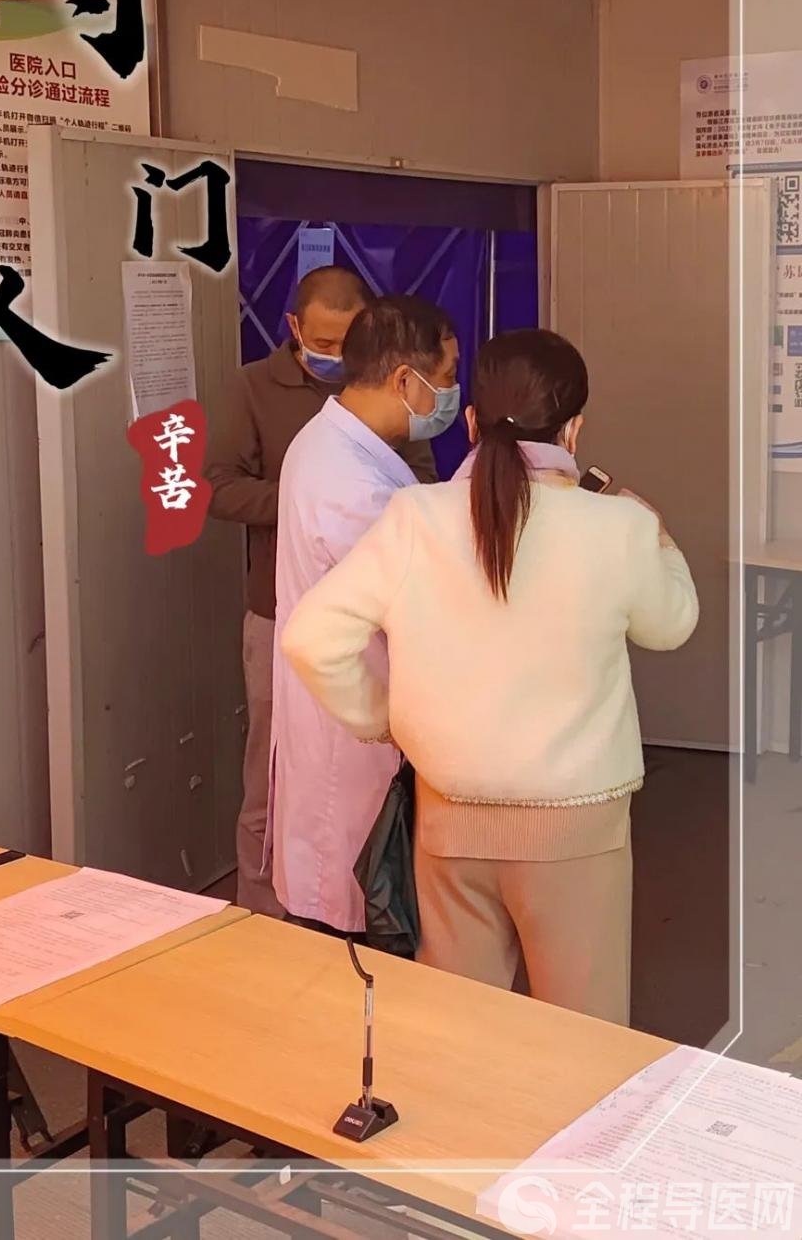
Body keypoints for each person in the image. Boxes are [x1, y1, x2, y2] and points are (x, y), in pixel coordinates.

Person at [281, 328, 698, 1024]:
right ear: (574, 429)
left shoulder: (414, 518)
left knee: (457, 1035)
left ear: (471, 421)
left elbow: (311, 638)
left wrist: (383, 719)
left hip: (449, 816)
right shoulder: (616, 526)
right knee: (585, 1036)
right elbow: (672, 623)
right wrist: (658, 534)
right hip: (577, 829)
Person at [204, 267, 436, 915]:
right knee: (274, 777)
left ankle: (362, 906)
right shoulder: (254, 386)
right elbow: (217, 486)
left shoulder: (392, 402)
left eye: (348, 340)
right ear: (294, 328)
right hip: (277, 607)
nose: (335, 354)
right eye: (324, 341)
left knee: (360, 786)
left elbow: (421, 488)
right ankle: (260, 915)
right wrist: (305, 499)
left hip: (367, 625)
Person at [269, 294, 460, 935]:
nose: (450, 393)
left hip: (349, 718)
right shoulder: (351, 481)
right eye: (446, 376)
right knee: (347, 918)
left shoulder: (343, 446)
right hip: (351, 729)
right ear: (405, 380)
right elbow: (409, 601)